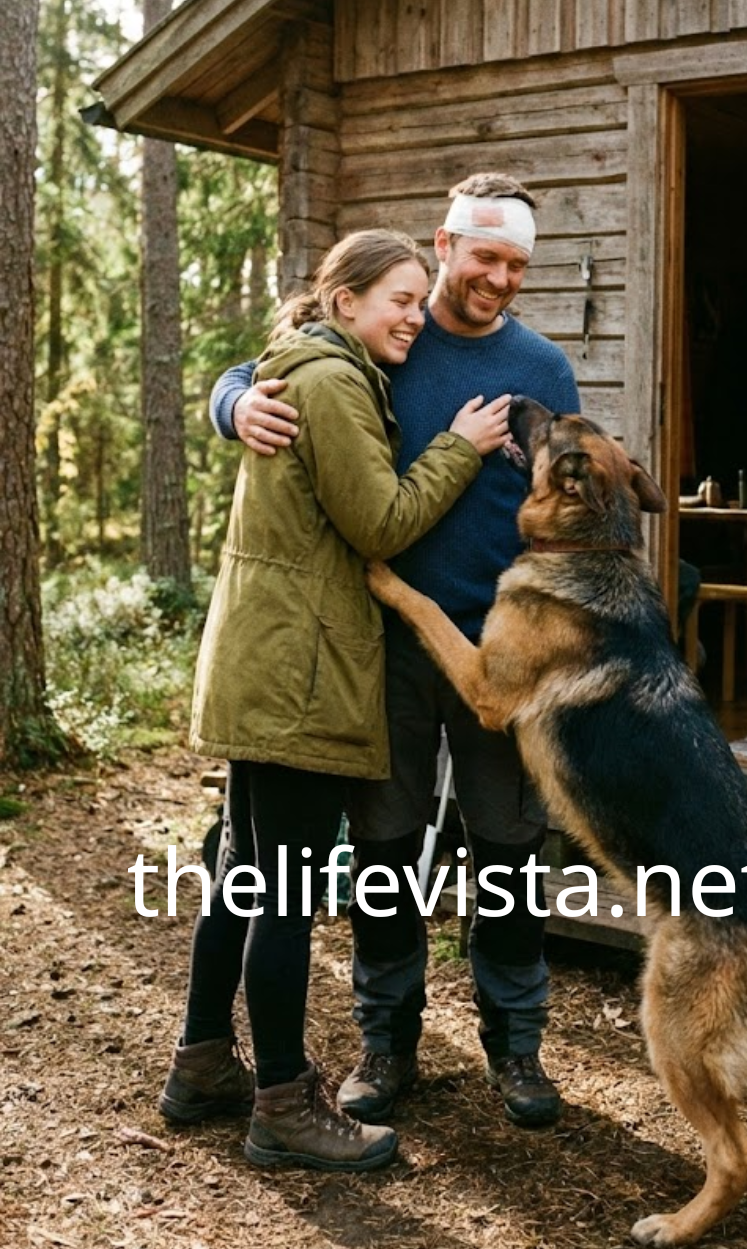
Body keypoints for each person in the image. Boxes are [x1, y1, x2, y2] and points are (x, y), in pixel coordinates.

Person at [211, 174, 581, 1130]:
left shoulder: (543, 369)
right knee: (384, 850)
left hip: (502, 652)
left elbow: (568, 503)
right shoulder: (392, 341)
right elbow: (279, 363)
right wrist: (231, 400)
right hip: (389, 648)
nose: (500, 278)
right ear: (445, 244)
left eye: (517, 264)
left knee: (509, 848)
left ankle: (516, 1043)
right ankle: (387, 1040)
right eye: (485, 256)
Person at [159, 228, 512, 1172]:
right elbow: (380, 522)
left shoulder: (307, 362)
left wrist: (230, 396)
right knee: (282, 888)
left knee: (241, 868)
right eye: (398, 299)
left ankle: (202, 1063)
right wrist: (461, 447)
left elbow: (252, 384)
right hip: (299, 673)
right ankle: (283, 1103)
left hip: (268, 659)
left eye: (418, 300)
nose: (413, 315)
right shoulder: (330, 381)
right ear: (344, 299)